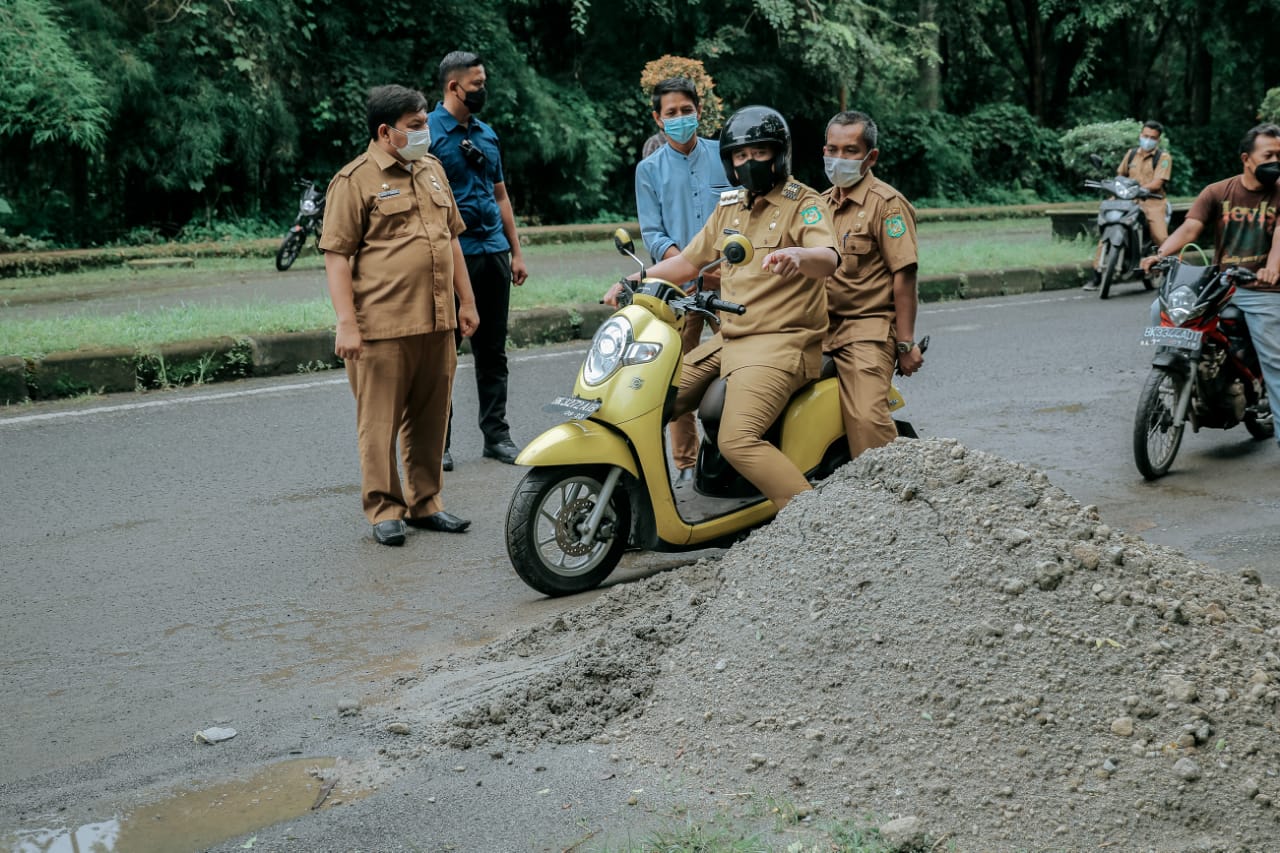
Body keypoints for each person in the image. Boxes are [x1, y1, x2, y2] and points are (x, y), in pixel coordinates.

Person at [605, 105, 838, 510]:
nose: (749, 163)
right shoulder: (730, 206)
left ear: (778, 154)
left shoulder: (804, 203)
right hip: (730, 340)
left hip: (780, 344)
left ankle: (810, 521)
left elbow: (829, 257)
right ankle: (634, 507)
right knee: (647, 399)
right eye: (739, 156)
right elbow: (688, 262)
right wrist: (633, 282)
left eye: (759, 153)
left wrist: (801, 256)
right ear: (729, 162)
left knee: (737, 440)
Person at [319, 84, 479, 546]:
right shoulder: (355, 181)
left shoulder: (431, 169)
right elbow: (336, 256)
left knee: (432, 420)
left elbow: (452, 239)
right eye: (415, 126)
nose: (425, 132)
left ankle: (426, 502)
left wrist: (465, 302)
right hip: (382, 327)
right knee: (379, 422)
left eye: (425, 122)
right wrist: (347, 323)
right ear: (386, 132)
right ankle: (384, 509)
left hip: (437, 320)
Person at [1141, 123, 1280, 448]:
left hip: (1263, 288)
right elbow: (1190, 229)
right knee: (1158, 311)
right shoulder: (1218, 192)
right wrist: (1159, 254)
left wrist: (1272, 269)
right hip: (1220, 284)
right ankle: (1169, 384)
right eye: (1269, 155)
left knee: (1275, 360)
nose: (1276, 161)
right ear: (1247, 158)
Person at [428, 51, 528, 470]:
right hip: (453, 260)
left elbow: (500, 194)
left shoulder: (486, 134)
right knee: (443, 353)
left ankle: (496, 435)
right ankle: (439, 440)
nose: (483, 90)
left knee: (493, 352)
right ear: (454, 87)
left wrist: (516, 251)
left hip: (493, 255)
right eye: (477, 85)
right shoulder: (428, 133)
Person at [635, 76, 733, 482]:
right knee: (679, 376)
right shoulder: (648, 170)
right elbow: (654, 235)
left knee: (739, 366)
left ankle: (731, 452)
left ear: (699, 111)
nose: (680, 119)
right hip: (683, 290)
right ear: (658, 119)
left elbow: (744, 212)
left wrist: (720, 269)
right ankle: (686, 464)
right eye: (671, 113)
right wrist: (689, 265)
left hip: (732, 283)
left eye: (686, 111)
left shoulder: (725, 156)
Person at [819, 110, 924, 459]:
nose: (839, 158)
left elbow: (904, 277)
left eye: (850, 151)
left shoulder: (887, 205)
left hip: (866, 329)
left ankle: (891, 495)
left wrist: (906, 343)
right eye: (832, 149)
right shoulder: (818, 205)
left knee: (865, 418)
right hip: (817, 327)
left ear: (870, 156)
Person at [1086, 120, 1172, 291]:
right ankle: (1097, 273)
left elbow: (1158, 182)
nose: (1148, 140)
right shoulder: (1131, 154)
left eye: (1152, 137)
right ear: (1140, 135)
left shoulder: (1163, 158)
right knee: (1107, 226)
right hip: (1127, 199)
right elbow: (1120, 175)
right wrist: (1114, 187)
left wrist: (1140, 189)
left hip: (1152, 201)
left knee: (1160, 237)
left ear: (1158, 140)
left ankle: (1168, 271)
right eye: (1145, 136)